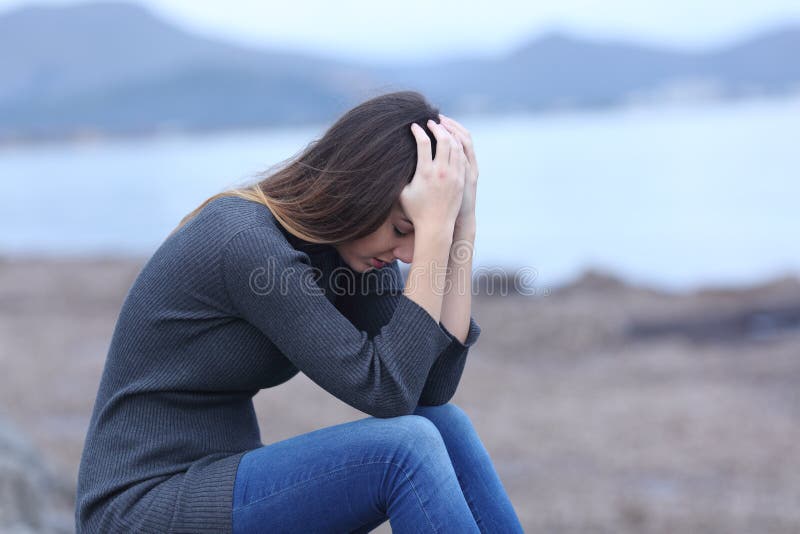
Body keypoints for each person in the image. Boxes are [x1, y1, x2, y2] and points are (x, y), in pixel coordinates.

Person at [75, 90, 523, 533]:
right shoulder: (247, 243)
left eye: (419, 236)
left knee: (443, 425)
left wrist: (459, 228)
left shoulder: (353, 250)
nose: (408, 254)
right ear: (359, 194)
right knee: (406, 450)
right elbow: (386, 392)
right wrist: (433, 236)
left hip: (221, 480)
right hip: (140, 507)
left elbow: (430, 389)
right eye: (403, 230)